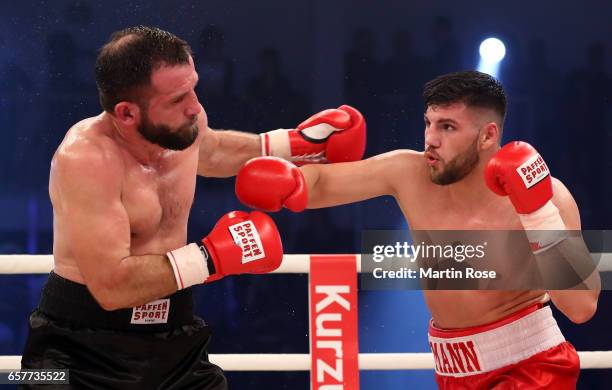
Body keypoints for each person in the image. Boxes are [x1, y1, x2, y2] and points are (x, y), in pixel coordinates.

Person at [20, 26, 366, 389]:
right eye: (176, 99)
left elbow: (213, 150)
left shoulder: (182, 122)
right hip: (74, 350)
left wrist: (297, 144)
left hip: (174, 338)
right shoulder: (86, 159)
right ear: (126, 114)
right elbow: (111, 288)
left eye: (193, 88)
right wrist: (211, 257)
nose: (195, 107)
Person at [236, 70, 601, 389]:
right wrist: (284, 177)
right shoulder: (409, 173)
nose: (430, 139)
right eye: (428, 123)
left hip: (532, 368)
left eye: (447, 127)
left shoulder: (547, 195)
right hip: (454, 370)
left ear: (488, 135)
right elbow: (319, 185)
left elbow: (582, 306)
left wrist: (537, 213)